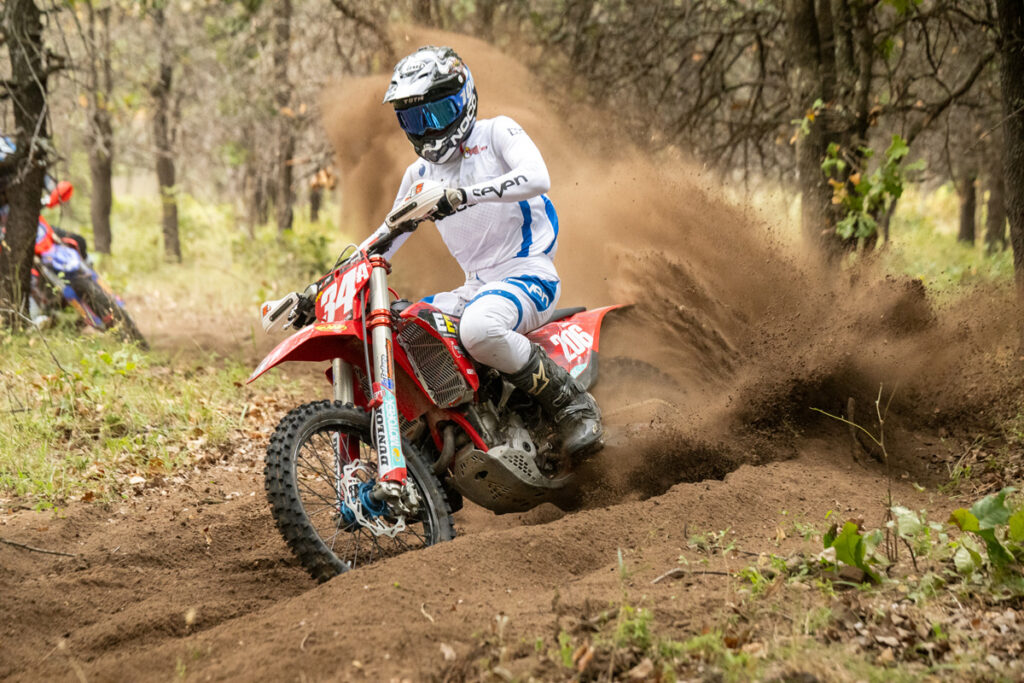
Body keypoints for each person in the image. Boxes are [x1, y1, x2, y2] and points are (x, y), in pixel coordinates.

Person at [361, 45, 603, 457]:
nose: (428, 128)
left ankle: (574, 406)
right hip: (477, 287)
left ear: (464, 98)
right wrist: (321, 286)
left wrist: (461, 195)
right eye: (414, 119)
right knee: (404, 327)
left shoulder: (496, 134)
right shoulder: (418, 176)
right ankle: (434, 440)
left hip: (529, 272)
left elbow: (537, 177)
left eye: (436, 113)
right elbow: (385, 237)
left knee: (478, 329)